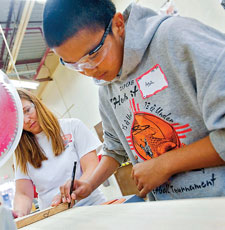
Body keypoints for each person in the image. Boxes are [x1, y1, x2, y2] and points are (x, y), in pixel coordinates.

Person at [42, 0, 225, 202]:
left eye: (93, 55)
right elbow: (115, 149)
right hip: (174, 211)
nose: (87, 71)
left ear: (118, 24)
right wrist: (88, 184)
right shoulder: (106, 85)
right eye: (74, 65)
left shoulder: (177, 38)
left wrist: (166, 164)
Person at [13, 89, 107, 217]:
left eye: (27, 110)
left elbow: (91, 167)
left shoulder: (72, 127)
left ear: (36, 104)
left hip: (91, 207)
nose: (26, 120)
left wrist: (76, 188)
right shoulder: (22, 152)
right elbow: (23, 194)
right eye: (19, 118)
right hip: (55, 217)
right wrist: (19, 213)